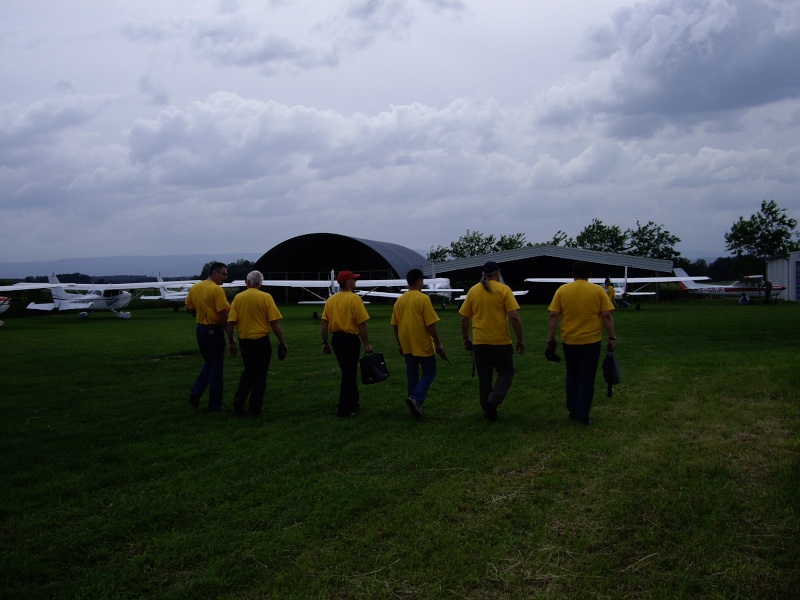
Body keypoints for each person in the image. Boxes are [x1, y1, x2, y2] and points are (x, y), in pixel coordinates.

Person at [546, 261, 616, 425]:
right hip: (591, 341)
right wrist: (612, 337)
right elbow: (606, 315)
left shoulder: (562, 290)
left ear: (573, 275)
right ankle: (583, 415)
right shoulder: (598, 290)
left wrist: (550, 338)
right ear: (590, 275)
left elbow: (553, 316)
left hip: (569, 340)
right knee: (587, 377)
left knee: (572, 374)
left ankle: (573, 408)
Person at [459, 261, 525, 421]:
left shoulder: (474, 291)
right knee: (506, 372)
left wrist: (466, 337)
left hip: (480, 342)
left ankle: (488, 412)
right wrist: (520, 339)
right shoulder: (504, 289)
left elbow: (464, 317)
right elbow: (514, 317)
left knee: (485, 379)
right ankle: (494, 399)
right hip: (500, 341)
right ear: (498, 273)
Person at [226, 270, 287, 417]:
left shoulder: (238, 298)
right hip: (261, 342)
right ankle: (255, 409)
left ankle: (239, 398)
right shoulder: (266, 297)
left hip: (245, 341)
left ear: (247, 282)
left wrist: (231, 342)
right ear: (260, 283)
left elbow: (230, 322)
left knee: (248, 371)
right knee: (260, 375)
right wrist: (282, 342)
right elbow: (274, 323)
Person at [391, 268, 445, 418]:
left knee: (412, 374)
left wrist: (399, 343)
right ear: (419, 281)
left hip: (406, 343)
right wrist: (438, 344)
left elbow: (395, 324)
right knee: (430, 371)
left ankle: (414, 405)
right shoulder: (423, 299)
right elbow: (430, 325)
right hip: (421, 342)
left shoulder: (400, 300)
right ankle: (416, 398)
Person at [321, 270, 373, 417]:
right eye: (354, 280)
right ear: (348, 283)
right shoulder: (354, 299)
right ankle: (344, 409)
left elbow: (324, 323)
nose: (356, 282)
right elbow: (361, 324)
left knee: (347, 371)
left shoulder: (331, 300)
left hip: (336, 340)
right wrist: (367, 344)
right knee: (349, 375)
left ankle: (354, 402)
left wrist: (325, 342)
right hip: (350, 340)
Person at [185, 261, 232, 411]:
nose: (225, 277)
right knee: (217, 367)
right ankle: (215, 404)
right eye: (223, 274)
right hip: (213, 329)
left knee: (209, 363)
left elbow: (187, 308)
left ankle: (197, 391)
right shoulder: (216, 290)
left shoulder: (196, 287)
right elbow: (222, 314)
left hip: (200, 329)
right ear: (214, 273)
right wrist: (229, 336)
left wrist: (201, 311)